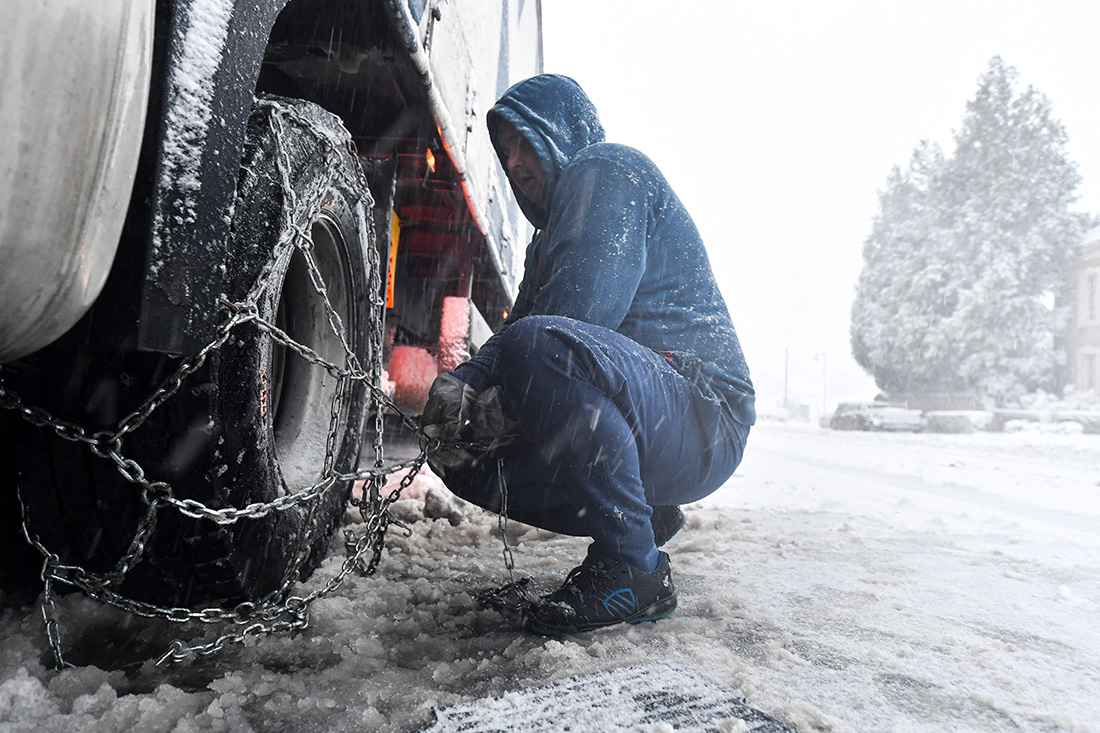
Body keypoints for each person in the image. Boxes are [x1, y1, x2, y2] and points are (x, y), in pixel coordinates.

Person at [421, 74, 754, 635]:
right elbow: (520, 338)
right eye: (505, 153)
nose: (515, 162)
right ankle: (640, 519)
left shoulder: (608, 170)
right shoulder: (546, 240)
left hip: (704, 415)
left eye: (526, 141)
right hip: (651, 419)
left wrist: (489, 394)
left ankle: (634, 569)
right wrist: (464, 388)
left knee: (538, 351)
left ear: (563, 131)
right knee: (463, 457)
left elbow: (571, 323)